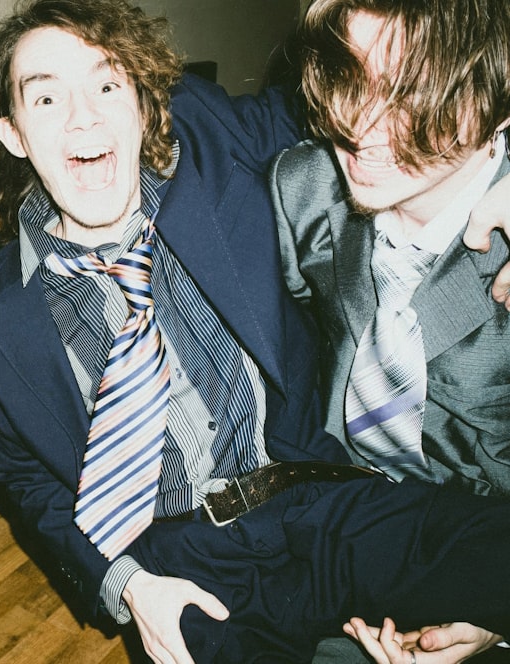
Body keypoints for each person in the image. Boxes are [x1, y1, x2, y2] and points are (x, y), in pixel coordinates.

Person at [0, 1, 510, 661]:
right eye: (46, 98)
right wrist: (128, 586)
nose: (83, 116)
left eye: (105, 85)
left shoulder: (215, 149)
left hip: (315, 491)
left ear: (143, 106)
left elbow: (381, 102)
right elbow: (26, 481)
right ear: (13, 134)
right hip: (181, 565)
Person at [271, 0, 510, 660]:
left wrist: (492, 608)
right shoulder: (305, 186)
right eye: (350, 79)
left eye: (409, 92)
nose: (360, 126)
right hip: (343, 530)